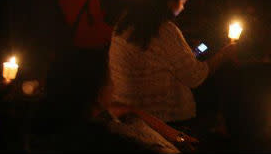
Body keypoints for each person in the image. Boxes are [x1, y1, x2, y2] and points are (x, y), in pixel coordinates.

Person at [110, 0, 236, 123]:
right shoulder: (165, 31)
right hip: (164, 119)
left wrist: (188, 55)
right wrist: (225, 54)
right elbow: (195, 77)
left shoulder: (124, 21)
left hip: (128, 110)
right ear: (170, 1)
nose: (183, 8)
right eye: (182, 2)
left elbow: (157, 59)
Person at [28, 49, 182, 153]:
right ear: (98, 92)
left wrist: (132, 110)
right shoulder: (107, 142)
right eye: (110, 79)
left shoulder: (41, 129)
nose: (114, 85)